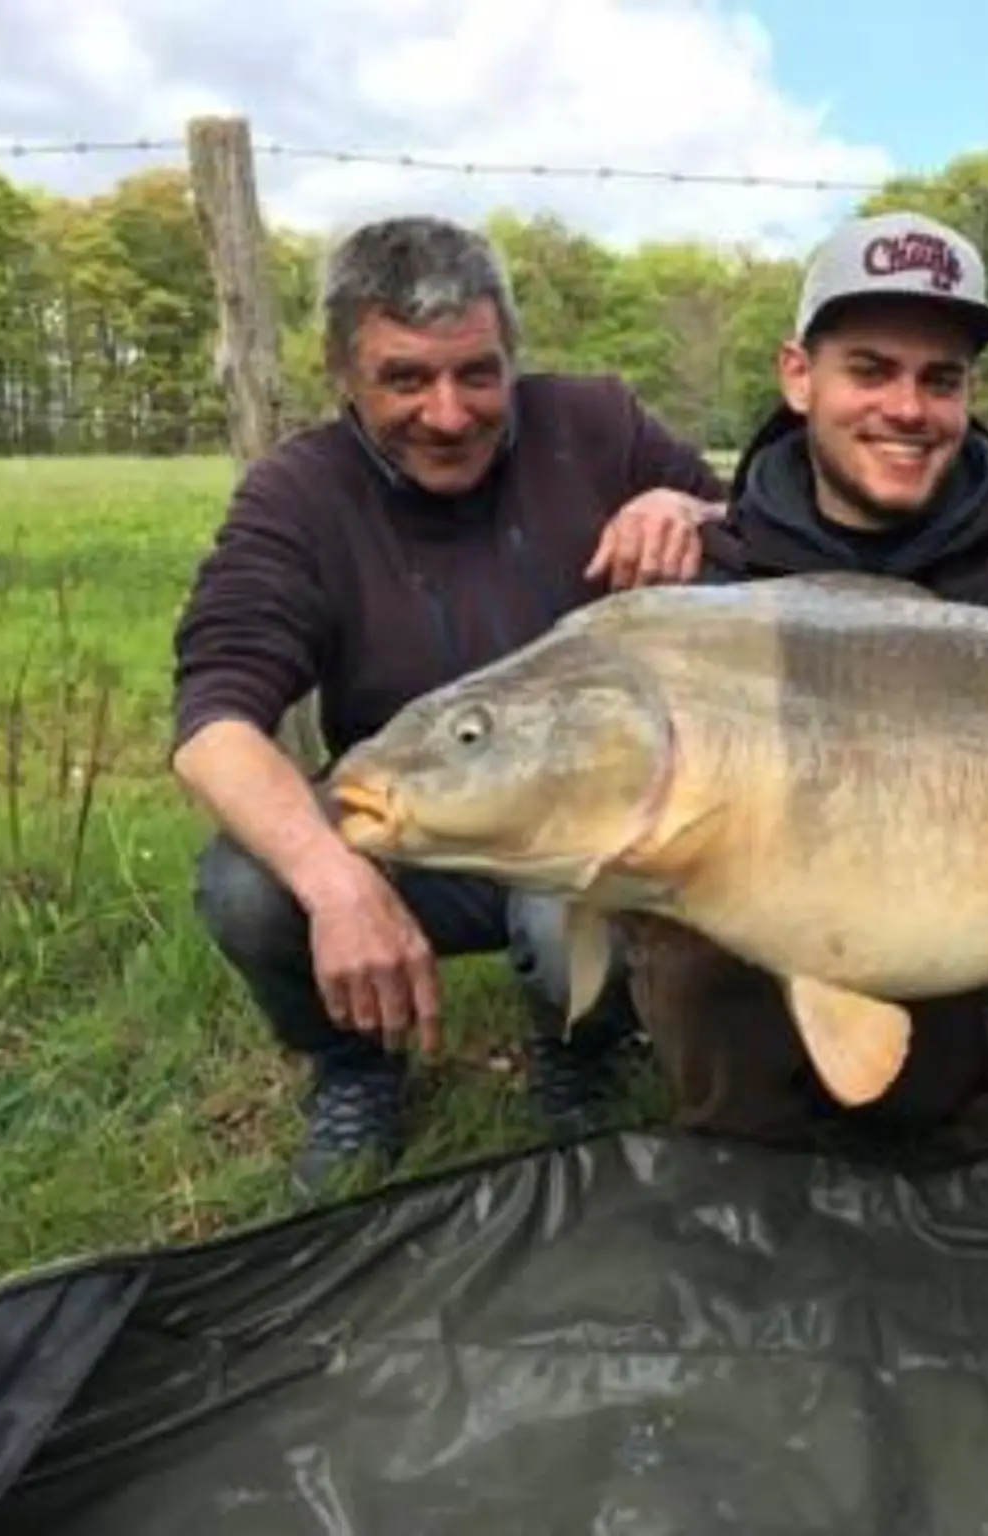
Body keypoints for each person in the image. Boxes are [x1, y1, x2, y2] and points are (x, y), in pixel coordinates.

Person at [170, 213, 725, 1197]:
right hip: (421, 819)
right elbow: (214, 720)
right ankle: (354, 1064)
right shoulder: (296, 497)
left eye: (477, 373)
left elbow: (761, 539)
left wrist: (694, 510)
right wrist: (334, 881)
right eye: (404, 379)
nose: (449, 412)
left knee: (574, 920)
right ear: (343, 372)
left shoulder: (596, 426)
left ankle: (582, 1045)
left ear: (511, 357)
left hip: (585, 819)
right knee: (249, 884)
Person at [607, 209, 988, 1152]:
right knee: (676, 900)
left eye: (939, 379)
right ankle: (761, 1149)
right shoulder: (714, 570)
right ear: (800, 376)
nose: (907, 409)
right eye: (870, 370)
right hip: (788, 924)